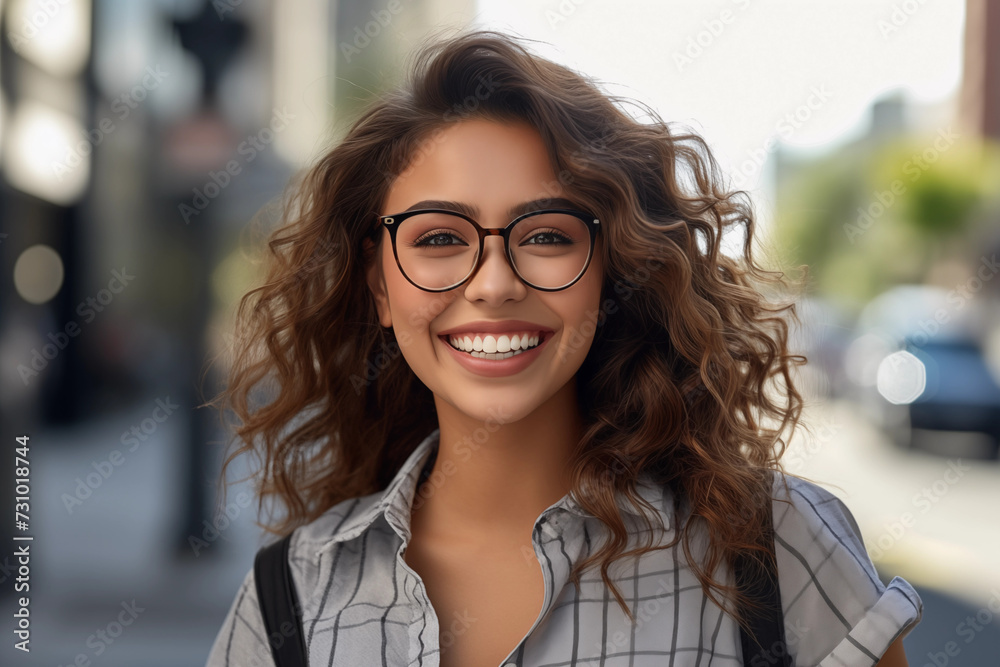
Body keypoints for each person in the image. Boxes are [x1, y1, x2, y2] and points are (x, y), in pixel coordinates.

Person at [204, 27, 921, 667]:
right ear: (381, 287)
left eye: (546, 235)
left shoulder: (773, 549)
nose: (493, 283)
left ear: (614, 267)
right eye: (439, 238)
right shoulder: (288, 599)